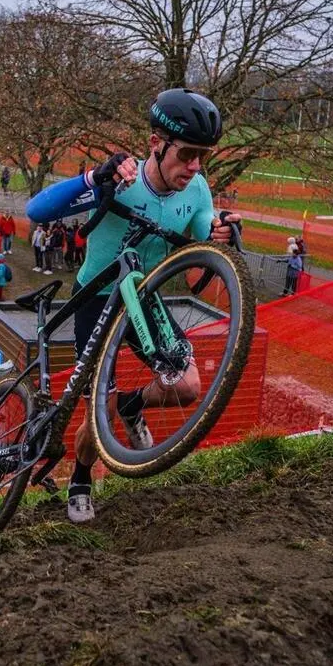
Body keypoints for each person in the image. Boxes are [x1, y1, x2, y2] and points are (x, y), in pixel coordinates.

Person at [25, 88, 240, 523]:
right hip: (96, 298)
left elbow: (203, 237)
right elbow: (37, 211)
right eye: (187, 154)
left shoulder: (196, 189)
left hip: (144, 298)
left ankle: (132, 404)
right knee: (96, 412)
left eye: (203, 156)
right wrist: (93, 178)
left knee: (187, 386)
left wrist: (222, 235)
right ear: (157, 144)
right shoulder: (122, 181)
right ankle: (81, 478)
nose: (195, 166)